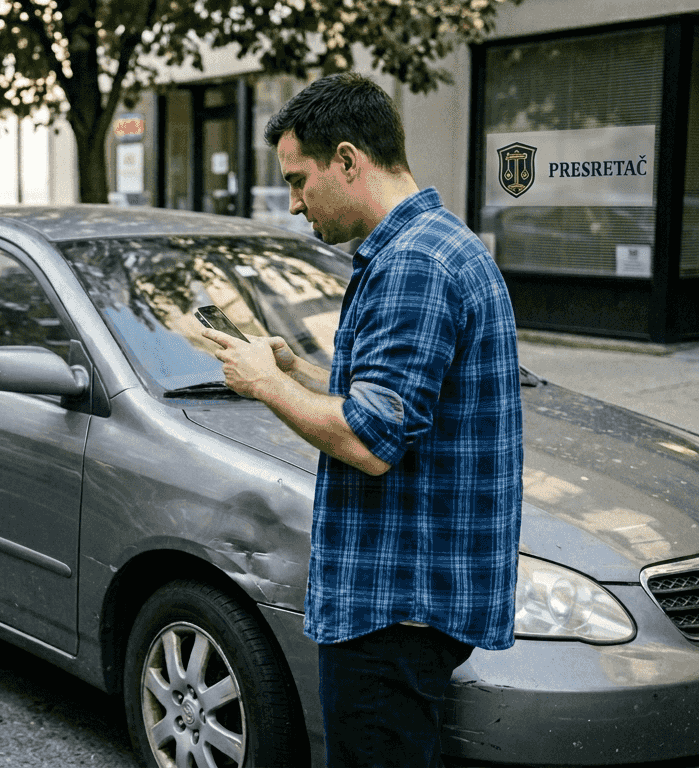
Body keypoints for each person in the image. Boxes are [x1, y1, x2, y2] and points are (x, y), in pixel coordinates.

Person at [202, 72, 523, 768]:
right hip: (410, 601)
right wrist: (299, 375)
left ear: (349, 160)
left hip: (392, 608)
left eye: (299, 180)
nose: (292, 204)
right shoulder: (439, 246)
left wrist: (264, 387)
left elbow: (371, 440)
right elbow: (402, 404)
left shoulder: (411, 264)